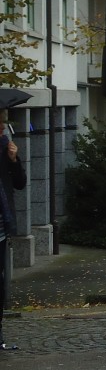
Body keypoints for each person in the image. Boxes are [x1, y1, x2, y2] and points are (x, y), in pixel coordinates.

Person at [1, 111, 28, 351]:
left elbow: (20, 183)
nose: (2, 128)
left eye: (3, 123)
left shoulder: (5, 148)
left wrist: (13, 160)